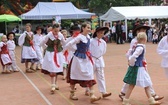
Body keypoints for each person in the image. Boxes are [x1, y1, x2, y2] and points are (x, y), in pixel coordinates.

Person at [120, 24, 164, 101]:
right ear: (137, 32)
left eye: (145, 31)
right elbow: (132, 51)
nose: (144, 32)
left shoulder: (141, 41)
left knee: (135, 78)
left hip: (140, 61)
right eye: (142, 30)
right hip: (137, 62)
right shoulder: (135, 41)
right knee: (133, 79)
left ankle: (152, 94)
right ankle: (152, 95)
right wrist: (130, 60)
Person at [65, 22, 101, 103]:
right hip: (78, 59)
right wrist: (75, 50)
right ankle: (72, 94)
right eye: (88, 27)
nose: (89, 29)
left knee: (89, 74)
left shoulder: (88, 37)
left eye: (89, 27)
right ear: (83, 28)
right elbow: (69, 44)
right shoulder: (79, 37)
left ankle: (92, 95)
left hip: (86, 58)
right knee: (74, 76)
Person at [41, 24, 65, 94]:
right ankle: (52, 85)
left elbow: (64, 43)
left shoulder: (60, 35)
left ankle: (55, 83)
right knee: (52, 68)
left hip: (58, 54)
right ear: (52, 30)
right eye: (55, 31)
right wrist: (46, 48)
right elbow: (42, 43)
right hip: (50, 54)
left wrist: (62, 49)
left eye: (58, 31)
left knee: (56, 69)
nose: (56, 32)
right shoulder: (49, 35)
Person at [89, 26, 112, 98]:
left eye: (103, 33)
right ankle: (88, 90)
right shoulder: (91, 41)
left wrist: (99, 56)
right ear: (97, 33)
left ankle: (103, 91)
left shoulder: (103, 42)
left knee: (101, 76)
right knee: (90, 75)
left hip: (99, 59)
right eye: (101, 33)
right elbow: (88, 50)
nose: (102, 34)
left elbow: (103, 51)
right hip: (92, 59)